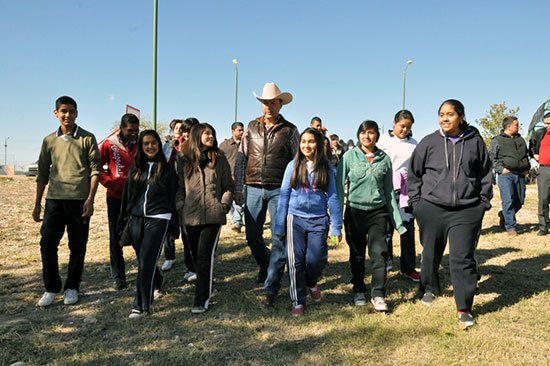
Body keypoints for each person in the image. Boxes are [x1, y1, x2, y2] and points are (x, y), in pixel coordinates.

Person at [408, 99, 493, 329]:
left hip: (466, 210)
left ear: (461, 117)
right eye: (441, 114)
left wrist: (482, 203)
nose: (445, 118)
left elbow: (485, 173)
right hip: (432, 208)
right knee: (431, 253)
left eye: (450, 114)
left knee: (462, 258)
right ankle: (429, 288)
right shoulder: (428, 142)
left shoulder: (475, 142)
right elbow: (414, 174)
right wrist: (417, 203)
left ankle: (464, 307)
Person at [234, 82, 299, 307]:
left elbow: (297, 161)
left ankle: (271, 285)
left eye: (272, 103)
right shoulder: (251, 127)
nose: (268, 107)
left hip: (279, 190)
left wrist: (295, 190)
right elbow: (241, 158)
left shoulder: (290, 130)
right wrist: (238, 187)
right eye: (265, 103)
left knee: (278, 236)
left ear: (280, 104)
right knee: (252, 235)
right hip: (252, 187)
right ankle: (267, 264)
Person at [33, 96, 101, 307]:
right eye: (63, 111)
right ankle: (51, 288)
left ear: (77, 113)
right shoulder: (48, 141)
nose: (67, 115)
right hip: (54, 200)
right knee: (47, 244)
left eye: (71, 111)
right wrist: (37, 203)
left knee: (77, 246)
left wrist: (90, 199)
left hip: (79, 202)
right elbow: (42, 173)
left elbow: (95, 170)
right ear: (56, 113)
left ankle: (72, 287)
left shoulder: (87, 138)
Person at [336, 120, 406, 312]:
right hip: (355, 212)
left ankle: (378, 294)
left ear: (377, 135)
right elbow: (339, 189)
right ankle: (358, 289)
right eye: (363, 132)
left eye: (371, 132)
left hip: (378, 213)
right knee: (357, 255)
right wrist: (335, 219)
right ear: (358, 135)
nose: (367, 136)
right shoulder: (349, 157)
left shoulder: (384, 159)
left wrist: (397, 222)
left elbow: (389, 191)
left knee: (379, 253)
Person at [274, 128, 342, 316]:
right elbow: (284, 195)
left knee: (316, 259)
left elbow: (334, 197)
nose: (306, 145)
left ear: (319, 145)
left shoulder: (326, 167)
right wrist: (279, 225)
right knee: (295, 261)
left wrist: (336, 226)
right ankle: (298, 300)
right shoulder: (292, 165)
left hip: (319, 220)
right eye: (303, 141)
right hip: (294, 219)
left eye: (311, 141)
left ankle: (311, 281)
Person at [118, 130, 179, 318]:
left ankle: (140, 305)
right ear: (141, 147)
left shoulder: (168, 169)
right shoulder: (135, 169)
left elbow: (173, 197)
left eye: (153, 143)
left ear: (159, 145)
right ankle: (157, 281)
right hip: (137, 218)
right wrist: (121, 221)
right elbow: (127, 196)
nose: (150, 147)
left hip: (159, 218)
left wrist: (173, 227)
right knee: (144, 259)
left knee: (146, 261)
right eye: (146, 144)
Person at [176, 123, 233, 314]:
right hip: (190, 215)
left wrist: (223, 204)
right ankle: (205, 283)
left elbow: (228, 185)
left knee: (204, 257)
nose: (210, 136)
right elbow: (179, 187)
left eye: (212, 133)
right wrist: (180, 206)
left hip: (213, 215)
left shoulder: (220, 158)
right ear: (197, 135)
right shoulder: (184, 159)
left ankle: (201, 300)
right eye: (206, 133)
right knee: (194, 255)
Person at [377, 110, 420, 282]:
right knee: (386, 229)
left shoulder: (414, 144)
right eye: (402, 126)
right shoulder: (383, 140)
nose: (404, 130)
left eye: (408, 128)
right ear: (394, 123)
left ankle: (408, 267)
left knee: (407, 229)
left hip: (405, 192)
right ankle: (386, 264)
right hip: (386, 189)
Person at [99, 113, 140, 290]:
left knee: (140, 235)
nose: (133, 134)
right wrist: (110, 183)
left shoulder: (141, 143)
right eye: (130, 130)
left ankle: (146, 271)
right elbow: (96, 166)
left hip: (137, 198)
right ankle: (118, 276)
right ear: (121, 128)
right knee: (115, 237)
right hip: (115, 198)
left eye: (136, 130)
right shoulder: (109, 144)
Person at [161, 117, 199, 279]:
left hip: (191, 194)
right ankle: (170, 256)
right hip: (172, 191)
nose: (181, 132)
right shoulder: (171, 145)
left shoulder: (198, 147)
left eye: (183, 129)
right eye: (179, 129)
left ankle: (193, 266)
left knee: (189, 232)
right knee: (170, 226)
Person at [489, 116, 529, 236]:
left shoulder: (521, 140)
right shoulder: (497, 140)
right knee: (508, 200)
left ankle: (504, 215)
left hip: (521, 175)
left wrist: (526, 169)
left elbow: (525, 156)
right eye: (516, 125)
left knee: (520, 201)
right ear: (509, 126)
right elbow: (491, 158)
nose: (518, 127)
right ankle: (511, 227)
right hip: (506, 175)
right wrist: (501, 169)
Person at [219, 122, 245, 232]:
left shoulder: (246, 144)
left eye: (242, 130)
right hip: (227, 178)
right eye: (239, 130)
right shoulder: (224, 145)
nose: (242, 132)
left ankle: (237, 223)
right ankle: (236, 220)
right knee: (230, 202)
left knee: (239, 201)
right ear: (233, 131)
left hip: (242, 178)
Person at [529, 112, 550, 235]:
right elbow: (531, 145)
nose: (546, 126)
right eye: (545, 123)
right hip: (544, 170)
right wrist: (534, 154)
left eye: (549, 123)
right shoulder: (540, 133)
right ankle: (543, 226)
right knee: (543, 199)